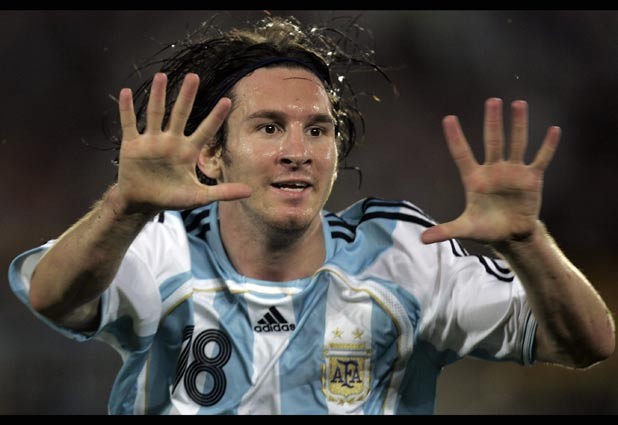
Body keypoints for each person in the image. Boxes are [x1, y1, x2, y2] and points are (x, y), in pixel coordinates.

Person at [8, 15, 615, 415]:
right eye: (269, 127)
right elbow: (53, 298)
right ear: (212, 155)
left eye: (318, 130)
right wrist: (124, 207)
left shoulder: (404, 258)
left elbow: (587, 343)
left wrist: (528, 241)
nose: (298, 151)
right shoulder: (162, 248)